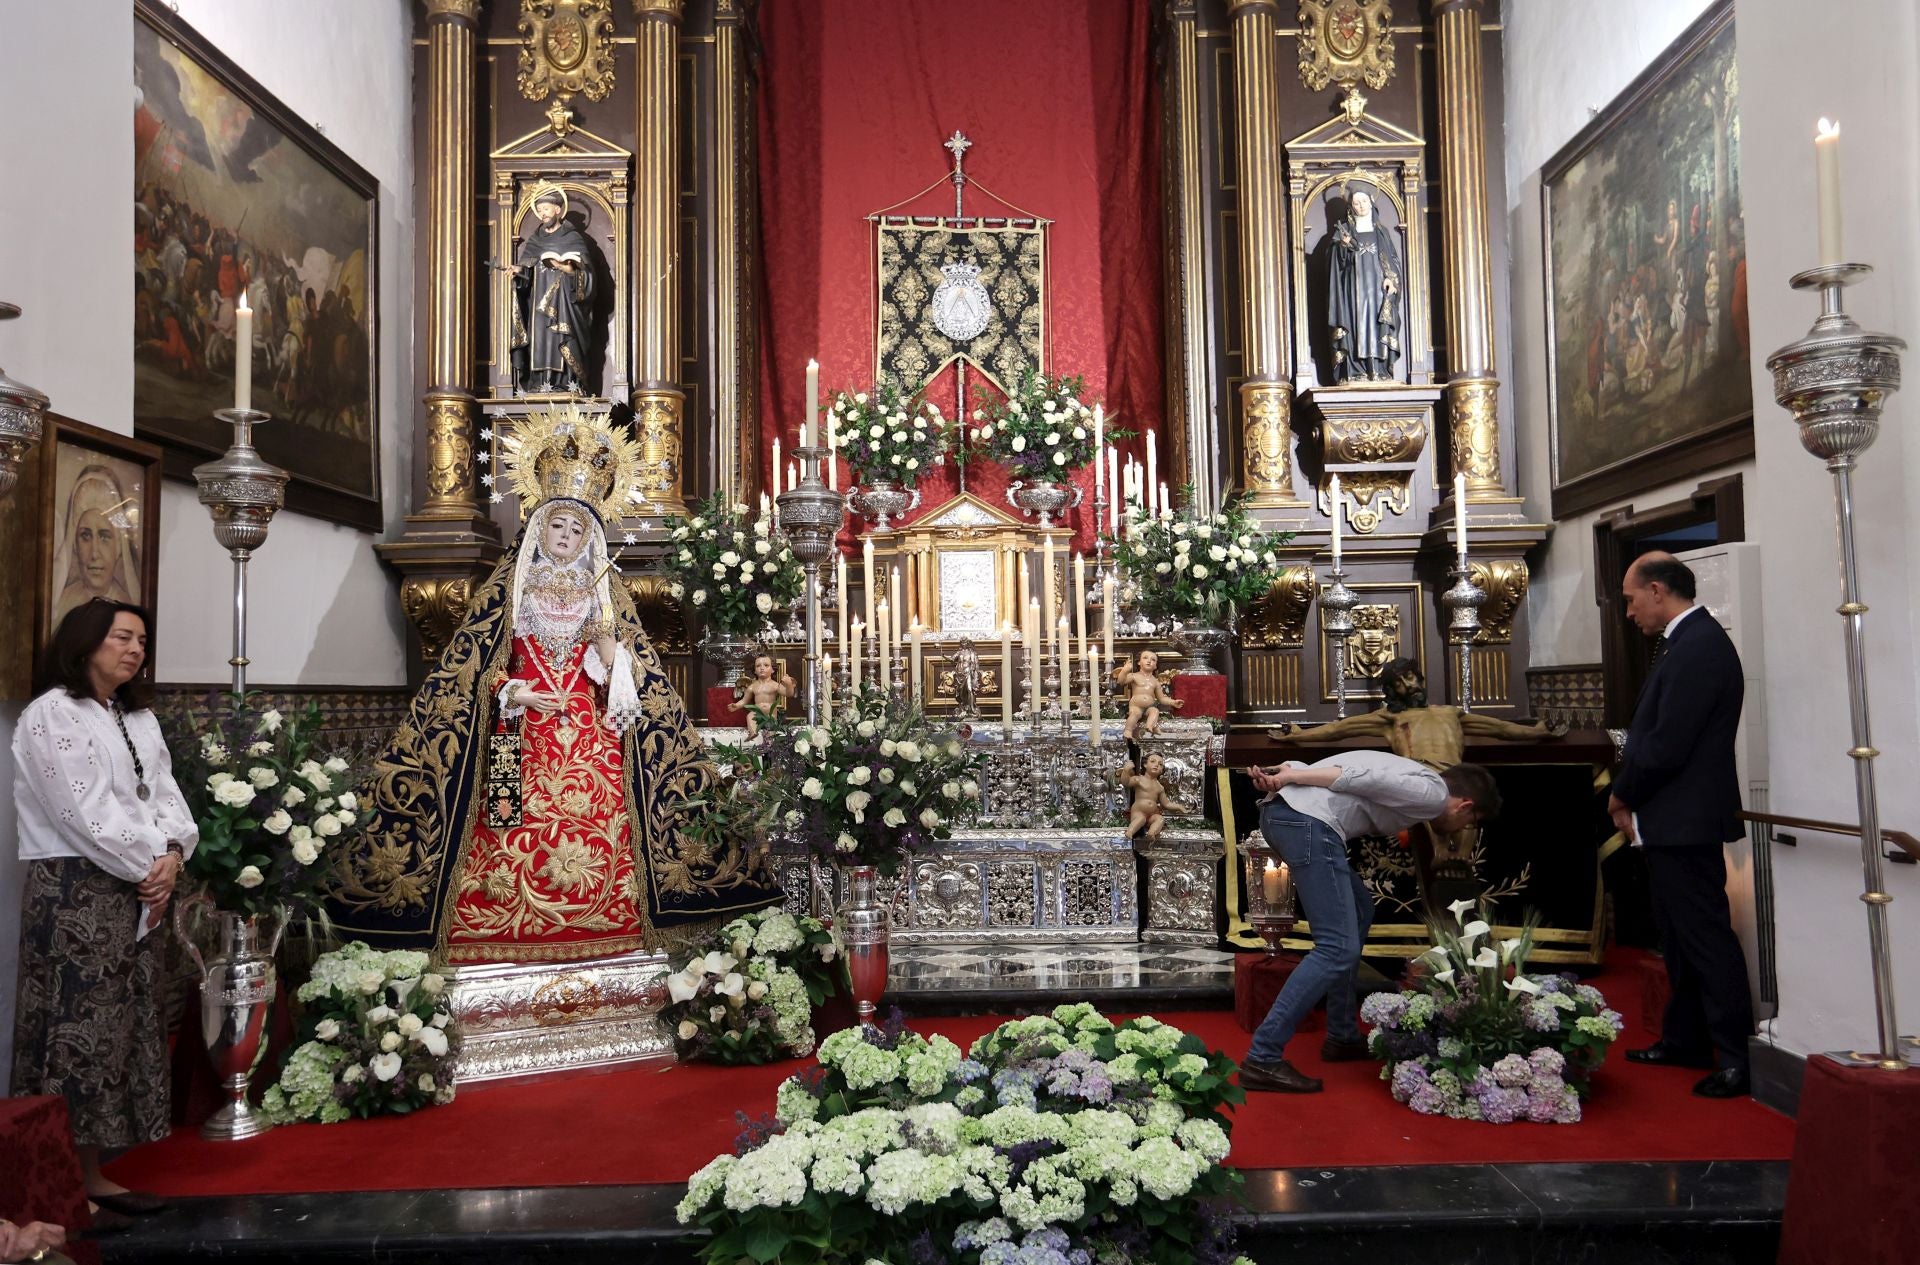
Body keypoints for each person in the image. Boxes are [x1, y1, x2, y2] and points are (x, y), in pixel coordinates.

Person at [334, 407, 780, 961]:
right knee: (504, 820)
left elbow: (634, 682)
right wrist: (511, 690)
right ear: (539, 526)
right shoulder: (509, 592)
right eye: (557, 525)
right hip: (518, 735)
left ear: (590, 535)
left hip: (591, 733)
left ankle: (612, 931)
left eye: (577, 528)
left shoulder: (603, 595)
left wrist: (609, 651)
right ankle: (501, 925)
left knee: (610, 831)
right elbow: (472, 668)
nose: (566, 536)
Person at [10, 601, 196, 1216]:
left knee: (119, 1030)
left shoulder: (134, 717)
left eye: (142, 639)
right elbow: (83, 811)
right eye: (122, 637)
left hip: (136, 886)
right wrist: (151, 864)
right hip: (76, 892)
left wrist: (171, 853)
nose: (135, 649)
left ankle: (92, 1177)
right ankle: (63, 1184)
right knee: (73, 1035)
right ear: (86, 642)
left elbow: (164, 795)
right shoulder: (52, 714)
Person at [1238, 751, 1501, 1093]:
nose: (1460, 830)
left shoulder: (1418, 777)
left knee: (1360, 910)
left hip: (1289, 817)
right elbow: (1359, 777)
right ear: (1464, 807)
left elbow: (1347, 773)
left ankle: (1342, 1035)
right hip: (1306, 823)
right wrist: (1291, 778)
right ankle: (1263, 1057)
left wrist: (1289, 771)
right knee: (1337, 948)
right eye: (1468, 823)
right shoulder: (1433, 793)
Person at [1607, 552, 1754, 1098]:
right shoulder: (1685, 643)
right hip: (1672, 819)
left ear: (1658, 591)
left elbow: (1667, 745)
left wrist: (1622, 795)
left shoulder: (1699, 647)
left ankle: (1736, 1057)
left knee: (1705, 938)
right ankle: (1686, 1039)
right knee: (1678, 938)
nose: (1629, 612)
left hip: (1686, 820)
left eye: (1630, 599)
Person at [1268, 658, 1563, 919]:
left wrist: (1537, 731)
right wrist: (1298, 736)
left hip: (1455, 779)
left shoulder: (1451, 713)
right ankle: (1440, 856)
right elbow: (1338, 730)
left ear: (1421, 678)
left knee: (1464, 819)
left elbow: (1499, 728)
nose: (1408, 686)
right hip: (1417, 779)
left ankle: (1457, 857)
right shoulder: (1392, 718)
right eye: (1399, 683)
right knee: (1428, 812)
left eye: (1411, 678)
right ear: (1391, 692)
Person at [511, 182, 596, 394]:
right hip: (539, 307)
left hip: (565, 306)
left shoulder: (573, 238)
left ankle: (566, 383)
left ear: (558, 210)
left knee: (561, 341)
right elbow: (526, 274)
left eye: (546, 209)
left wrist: (568, 269)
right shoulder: (535, 240)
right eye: (539, 211)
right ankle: (540, 383)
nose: (543, 215)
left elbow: (588, 278)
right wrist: (518, 271)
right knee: (540, 341)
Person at [1326, 186, 1403, 383]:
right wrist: (1343, 246)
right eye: (1356, 203)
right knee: (1355, 326)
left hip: (1377, 289)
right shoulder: (1345, 230)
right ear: (1351, 206)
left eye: (1364, 202)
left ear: (1371, 202)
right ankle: (1355, 370)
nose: (1361, 206)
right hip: (1354, 291)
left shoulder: (1381, 231)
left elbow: (1391, 260)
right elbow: (1335, 264)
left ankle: (1378, 370)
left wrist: (1390, 279)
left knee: (1377, 325)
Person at [50, 464, 140, 631]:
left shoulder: (128, 610)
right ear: (75, 544)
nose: (94, 553)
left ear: (118, 547)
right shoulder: (61, 604)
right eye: (85, 536)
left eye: (104, 536)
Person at [1111, 650, 1183, 739]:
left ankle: (1150, 726)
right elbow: (1121, 681)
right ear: (1138, 662)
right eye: (1145, 658)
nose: (1149, 661)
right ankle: (1128, 730)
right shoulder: (1134, 676)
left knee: (1155, 711)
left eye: (1153, 660)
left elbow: (1162, 698)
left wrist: (1173, 702)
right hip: (1136, 706)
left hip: (1149, 706)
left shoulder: (1155, 681)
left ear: (1156, 665)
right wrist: (1125, 671)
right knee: (1135, 714)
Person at [734, 652, 795, 738]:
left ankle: (771, 740)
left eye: (766, 665)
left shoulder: (774, 685)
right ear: (754, 670)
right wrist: (736, 705)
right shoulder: (753, 686)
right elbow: (744, 700)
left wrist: (789, 684)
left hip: (771, 714)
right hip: (757, 713)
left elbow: (789, 693)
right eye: (758, 666)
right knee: (750, 716)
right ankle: (753, 733)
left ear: (772, 669)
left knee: (771, 730)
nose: (762, 668)